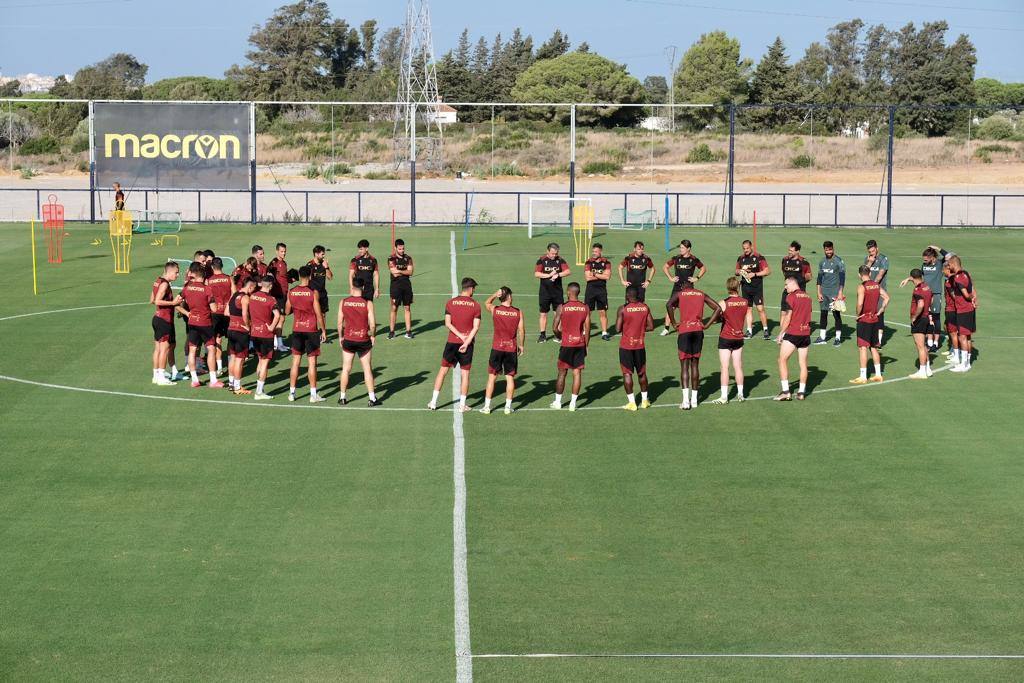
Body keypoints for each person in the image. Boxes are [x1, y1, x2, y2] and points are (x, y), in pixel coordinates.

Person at [428, 278, 481, 412]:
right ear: (469, 289)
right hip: (466, 345)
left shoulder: (450, 303)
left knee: (442, 371)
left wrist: (459, 335)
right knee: (465, 374)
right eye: (473, 288)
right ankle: (462, 405)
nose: (474, 290)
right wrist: (466, 340)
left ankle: (433, 402)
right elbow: (476, 328)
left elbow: (447, 323)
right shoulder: (475, 305)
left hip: (451, 342)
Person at [667, 282, 722, 410]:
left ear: (683, 287)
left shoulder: (680, 293)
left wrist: (674, 323)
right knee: (695, 364)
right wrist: (707, 324)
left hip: (684, 331)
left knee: (684, 366)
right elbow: (718, 308)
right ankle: (695, 400)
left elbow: (668, 304)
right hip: (698, 330)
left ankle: (686, 401)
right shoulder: (701, 293)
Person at [177, 262, 223, 389]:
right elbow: (214, 309)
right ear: (204, 276)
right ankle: (213, 380)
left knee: (192, 350)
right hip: (205, 324)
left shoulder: (187, 288)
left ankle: (195, 380)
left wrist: (187, 313)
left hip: (192, 323)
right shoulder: (207, 289)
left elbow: (176, 303)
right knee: (211, 349)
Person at [285, 266, 327, 403]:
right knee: (312, 363)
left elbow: (286, 311)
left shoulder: (291, 292)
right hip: (311, 330)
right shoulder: (312, 292)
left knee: (295, 363)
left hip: (297, 329)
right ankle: (313, 395)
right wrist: (324, 330)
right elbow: (319, 314)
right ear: (309, 276)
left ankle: (292, 393)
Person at [481, 287, 525, 415]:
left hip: (497, 347)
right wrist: (521, 345)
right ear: (509, 296)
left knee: (492, 378)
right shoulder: (518, 312)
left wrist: (494, 294)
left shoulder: (496, 310)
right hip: (511, 348)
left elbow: (486, 303)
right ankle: (507, 407)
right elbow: (521, 330)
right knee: (510, 378)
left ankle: (487, 407)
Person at [338, 284, 379, 406]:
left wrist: (340, 337)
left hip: (348, 339)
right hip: (363, 340)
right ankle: (372, 398)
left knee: (346, 368)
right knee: (367, 369)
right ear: (363, 287)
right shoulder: (368, 303)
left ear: (352, 286)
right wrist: (372, 335)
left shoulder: (343, 302)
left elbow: (340, 323)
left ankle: (342, 397)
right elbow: (372, 325)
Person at [711, 277, 750, 404]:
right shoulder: (745, 301)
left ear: (728, 288)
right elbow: (747, 316)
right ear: (738, 287)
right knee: (738, 366)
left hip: (726, 337)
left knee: (725, 367)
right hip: (739, 337)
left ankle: (724, 397)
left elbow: (716, 317)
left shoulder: (724, 302)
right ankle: (740, 394)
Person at [551, 282, 590, 411]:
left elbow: (554, 328)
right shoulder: (585, 307)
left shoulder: (562, 307)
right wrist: (586, 345)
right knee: (577, 373)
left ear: (568, 292)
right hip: (580, 343)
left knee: (562, 372)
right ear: (578, 293)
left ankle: (558, 402)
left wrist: (561, 336)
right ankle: (573, 404)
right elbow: (587, 328)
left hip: (567, 344)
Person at [616, 286, 654, 411]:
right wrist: (641, 329)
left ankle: (632, 403)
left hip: (626, 346)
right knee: (642, 372)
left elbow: (617, 329)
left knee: (627, 373)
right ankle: (644, 401)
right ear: (637, 295)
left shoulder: (623, 308)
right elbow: (651, 326)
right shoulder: (644, 307)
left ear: (627, 295)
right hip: (640, 345)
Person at [849, 265, 889, 384]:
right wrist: (881, 310)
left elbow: (860, 303)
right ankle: (878, 374)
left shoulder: (862, 286)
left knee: (863, 348)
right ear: (870, 273)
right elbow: (887, 298)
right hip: (875, 319)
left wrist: (858, 314)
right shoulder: (876, 285)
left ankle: (863, 376)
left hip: (865, 320)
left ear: (859, 275)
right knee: (874, 347)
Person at [775, 277, 813, 401]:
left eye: (786, 284)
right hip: (806, 334)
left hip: (793, 333)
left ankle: (786, 391)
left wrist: (781, 333)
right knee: (803, 364)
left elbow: (788, 317)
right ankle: (801, 392)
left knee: (782, 360)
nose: (785, 287)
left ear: (793, 283)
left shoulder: (791, 297)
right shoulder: (808, 297)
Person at [660, 239, 706, 336]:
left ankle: (688, 326)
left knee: (688, 309)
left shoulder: (694, 259)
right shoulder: (676, 258)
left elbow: (703, 268)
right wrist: (670, 278)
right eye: (680, 247)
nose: (680, 249)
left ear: (688, 249)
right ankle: (666, 328)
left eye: (682, 248)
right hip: (677, 288)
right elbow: (665, 267)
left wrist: (696, 278)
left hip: (688, 289)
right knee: (671, 307)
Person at [248, 275, 282, 400]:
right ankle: (259, 392)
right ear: (271, 286)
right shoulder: (271, 300)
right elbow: (277, 315)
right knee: (265, 363)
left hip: (254, 333)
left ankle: (259, 388)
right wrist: (272, 327)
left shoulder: (253, 296)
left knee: (260, 360)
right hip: (265, 334)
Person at [150, 261, 183, 385]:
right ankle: (161, 376)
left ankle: (156, 375)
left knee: (158, 349)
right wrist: (173, 303)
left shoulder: (157, 281)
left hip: (157, 318)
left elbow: (151, 300)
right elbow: (157, 301)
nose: (178, 275)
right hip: (164, 320)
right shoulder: (164, 284)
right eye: (176, 272)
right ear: (169, 271)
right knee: (164, 349)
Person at [535, 242, 571, 343]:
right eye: (552, 253)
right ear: (547, 251)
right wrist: (549, 275)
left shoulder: (560, 260)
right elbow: (537, 274)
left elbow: (568, 271)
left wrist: (558, 275)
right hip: (544, 293)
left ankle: (558, 335)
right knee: (543, 314)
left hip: (557, 293)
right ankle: (542, 335)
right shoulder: (541, 260)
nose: (554, 255)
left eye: (556, 253)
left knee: (558, 314)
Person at [735, 240, 771, 339]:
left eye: (747, 248)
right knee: (748, 309)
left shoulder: (759, 258)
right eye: (744, 248)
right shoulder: (741, 258)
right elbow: (736, 271)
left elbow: (767, 271)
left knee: (760, 309)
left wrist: (754, 274)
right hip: (745, 288)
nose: (745, 250)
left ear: (751, 247)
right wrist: (742, 271)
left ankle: (766, 330)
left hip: (757, 287)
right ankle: (749, 331)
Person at [226, 277, 256, 395]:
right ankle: (237, 387)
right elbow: (244, 313)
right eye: (253, 288)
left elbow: (227, 312)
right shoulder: (245, 297)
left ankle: (231, 383)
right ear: (250, 286)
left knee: (232, 357)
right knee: (240, 359)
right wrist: (248, 327)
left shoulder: (234, 295)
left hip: (231, 329)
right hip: (240, 331)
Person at [948, 255, 977, 373]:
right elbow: (972, 287)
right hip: (969, 309)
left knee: (962, 337)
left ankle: (964, 364)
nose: (949, 267)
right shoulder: (966, 273)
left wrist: (971, 298)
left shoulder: (958, 278)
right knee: (968, 336)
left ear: (954, 264)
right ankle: (968, 362)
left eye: (949, 265)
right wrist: (975, 299)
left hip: (963, 310)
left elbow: (965, 294)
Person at [815, 240, 846, 346]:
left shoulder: (839, 261)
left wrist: (840, 292)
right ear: (824, 250)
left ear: (833, 249)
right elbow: (819, 278)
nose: (828, 251)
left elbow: (842, 278)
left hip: (835, 293)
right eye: (826, 249)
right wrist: (818, 292)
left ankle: (837, 338)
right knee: (823, 314)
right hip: (824, 292)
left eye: (830, 249)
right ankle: (822, 337)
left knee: (836, 314)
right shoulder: (822, 261)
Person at [207, 258, 233, 378]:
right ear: (222, 266)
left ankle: (219, 367)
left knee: (217, 339)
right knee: (230, 339)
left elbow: (206, 296)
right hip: (227, 312)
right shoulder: (228, 278)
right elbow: (234, 294)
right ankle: (230, 365)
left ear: (212, 267)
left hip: (215, 313)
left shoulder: (209, 281)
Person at [907, 269, 934, 379]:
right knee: (924, 346)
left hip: (920, 319)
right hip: (927, 317)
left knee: (920, 346)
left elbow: (921, 304)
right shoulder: (926, 286)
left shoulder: (918, 290)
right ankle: (928, 369)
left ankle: (922, 371)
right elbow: (931, 300)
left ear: (912, 277)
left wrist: (915, 316)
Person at [268, 242, 295, 353]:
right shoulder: (274, 263)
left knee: (280, 318)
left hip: (283, 294)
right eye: (281, 251)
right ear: (277, 251)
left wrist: (290, 279)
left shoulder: (283, 263)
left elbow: (282, 277)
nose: (284, 253)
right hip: (277, 295)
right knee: (280, 318)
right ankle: (278, 344)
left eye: (285, 251)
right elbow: (269, 275)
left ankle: (276, 343)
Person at [583, 243, 613, 341]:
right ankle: (585, 332)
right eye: (593, 251)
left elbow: (607, 276)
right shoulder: (588, 262)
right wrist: (601, 275)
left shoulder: (607, 262)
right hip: (590, 291)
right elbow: (587, 278)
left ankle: (604, 333)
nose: (594, 253)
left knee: (602, 312)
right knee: (588, 313)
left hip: (601, 292)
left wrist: (594, 274)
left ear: (601, 251)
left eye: (596, 251)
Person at [387, 239, 415, 339]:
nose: (402, 250)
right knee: (394, 308)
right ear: (395, 248)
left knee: (407, 308)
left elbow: (411, 272)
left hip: (407, 286)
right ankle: (392, 332)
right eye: (400, 249)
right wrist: (404, 271)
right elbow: (394, 272)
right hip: (395, 287)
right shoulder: (391, 258)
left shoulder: (408, 258)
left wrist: (399, 271)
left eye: (403, 248)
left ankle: (408, 331)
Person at [864, 239, 890, 346]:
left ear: (877, 248)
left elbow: (880, 274)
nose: (871, 254)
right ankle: (870, 338)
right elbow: (862, 274)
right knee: (869, 314)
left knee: (879, 314)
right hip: (868, 292)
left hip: (879, 291)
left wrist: (872, 286)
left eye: (873, 251)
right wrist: (869, 262)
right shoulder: (867, 259)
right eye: (870, 252)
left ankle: (878, 341)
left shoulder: (884, 259)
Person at [307, 245, 333, 340]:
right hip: (313, 294)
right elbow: (307, 279)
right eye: (322, 254)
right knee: (314, 314)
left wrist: (326, 268)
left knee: (323, 314)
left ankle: (323, 333)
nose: (323, 255)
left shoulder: (324, 264)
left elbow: (330, 277)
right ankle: (314, 332)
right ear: (316, 254)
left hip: (323, 293)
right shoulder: (310, 265)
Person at [779, 240, 812, 310]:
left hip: (800, 292)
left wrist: (798, 282)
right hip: (787, 291)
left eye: (791, 251)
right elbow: (784, 272)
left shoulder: (803, 262)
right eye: (789, 250)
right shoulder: (785, 260)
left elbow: (809, 276)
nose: (789, 252)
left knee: (797, 312)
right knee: (784, 311)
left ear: (797, 251)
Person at [942, 262, 960, 368]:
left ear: (948, 270)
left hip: (952, 309)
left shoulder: (950, 281)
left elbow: (954, 296)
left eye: (943, 269)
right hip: (950, 308)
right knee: (949, 329)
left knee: (954, 332)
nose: (942, 271)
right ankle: (954, 350)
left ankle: (956, 355)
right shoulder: (949, 280)